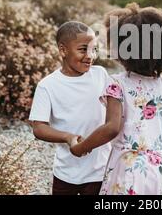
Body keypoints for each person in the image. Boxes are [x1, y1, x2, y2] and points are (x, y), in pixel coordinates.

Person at [70, 3, 162, 195]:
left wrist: (80, 147)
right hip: (158, 169)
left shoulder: (117, 84)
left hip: (127, 169)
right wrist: (149, 148)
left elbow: (111, 128)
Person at [29, 21, 113, 195]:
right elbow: (39, 127)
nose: (90, 56)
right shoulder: (48, 85)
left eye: (93, 49)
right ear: (63, 50)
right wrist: (68, 137)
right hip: (66, 172)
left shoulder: (101, 75)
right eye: (83, 49)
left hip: (100, 170)